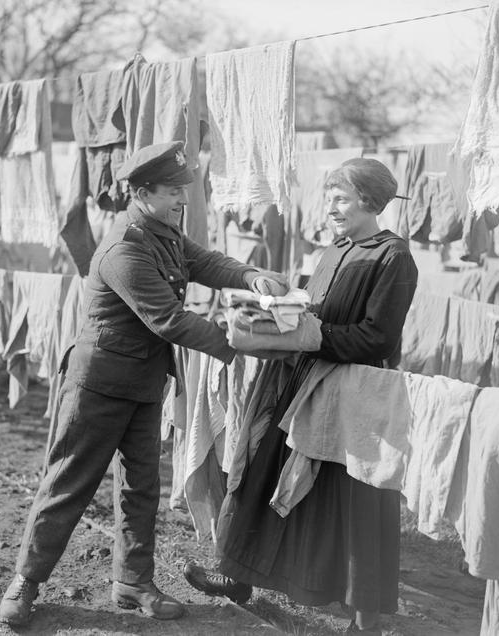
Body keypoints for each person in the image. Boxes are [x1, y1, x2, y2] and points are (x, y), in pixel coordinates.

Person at [0, 140, 288, 626]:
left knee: (141, 488)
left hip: (145, 383)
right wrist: (244, 342)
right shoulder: (124, 247)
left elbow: (204, 261)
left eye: (183, 190)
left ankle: (133, 582)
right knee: (68, 485)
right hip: (99, 385)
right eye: (173, 191)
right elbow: (168, 320)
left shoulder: (162, 232)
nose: (183, 199)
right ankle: (25, 581)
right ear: (142, 193)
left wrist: (251, 276)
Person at [183, 157, 419, 635]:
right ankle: (236, 575)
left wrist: (311, 334)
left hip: (352, 393)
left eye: (341, 200)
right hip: (298, 378)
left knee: (354, 501)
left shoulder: (393, 257)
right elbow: (315, 311)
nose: (330, 208)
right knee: (261, 469)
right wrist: (279, 314)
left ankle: (365, 619)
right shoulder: (334, 250)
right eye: (329, 198)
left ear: (370, 201)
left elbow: (378, 337)